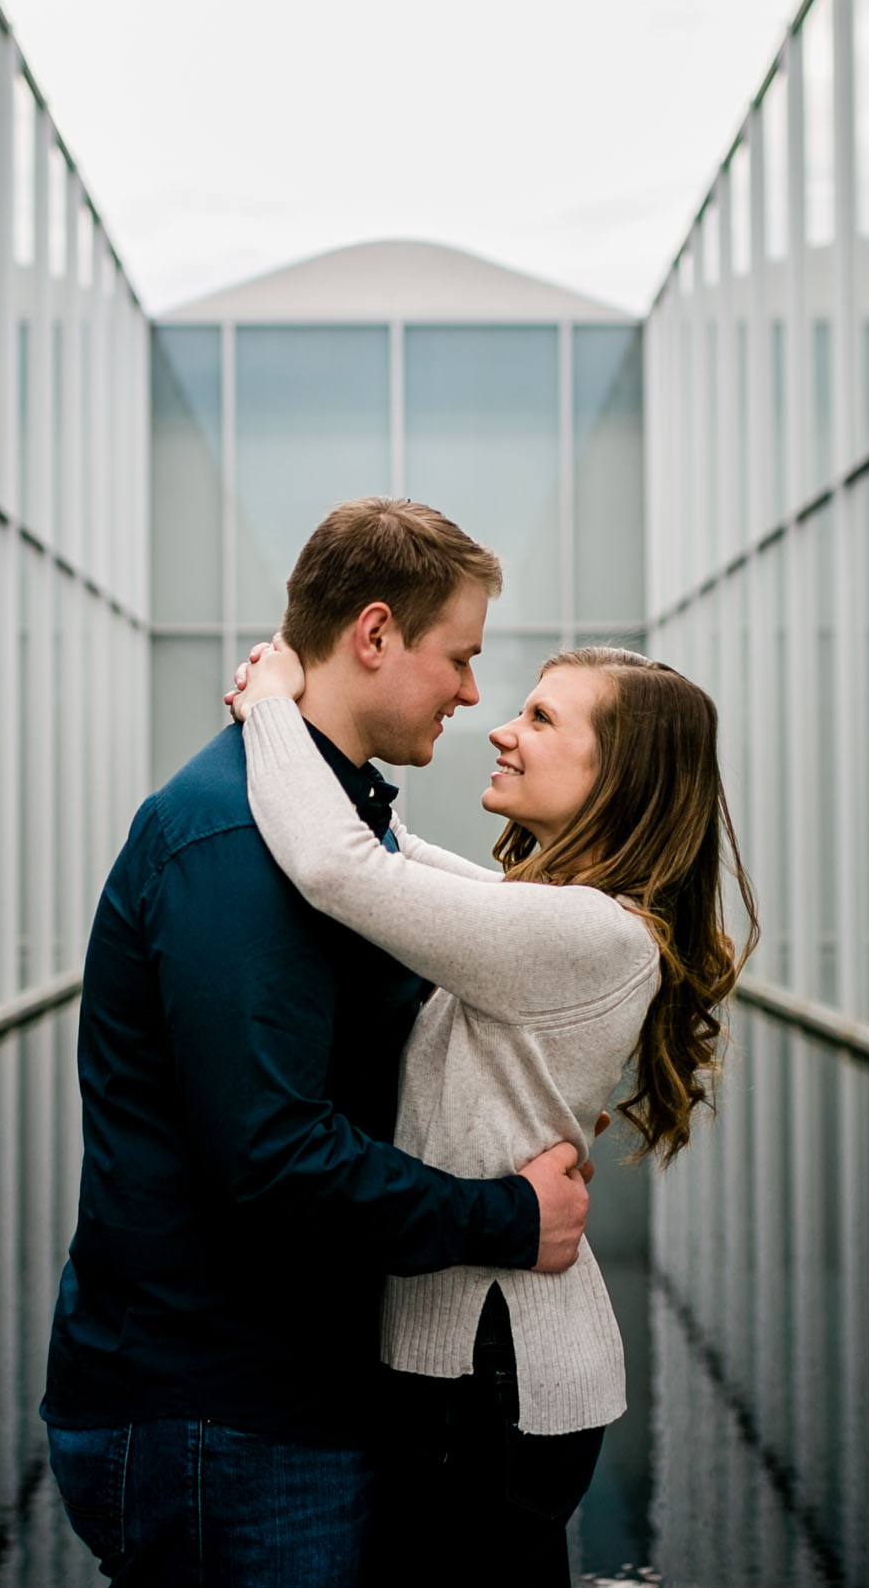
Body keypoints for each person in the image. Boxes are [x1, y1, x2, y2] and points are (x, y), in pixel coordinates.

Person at [42, 497, 595, 1587]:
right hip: (224, 1416)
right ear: (376, 634)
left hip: (268, 1399)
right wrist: (509, 1218)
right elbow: (272, 1152)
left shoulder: (329, 820)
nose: (474, 693)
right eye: (462, 656)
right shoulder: (237, 842)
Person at [225, 631, 755, 1586]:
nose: (501, 730)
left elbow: (344, 872)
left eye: (542, 718)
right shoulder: (566, 914)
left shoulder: (584, 932)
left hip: (493, 1376)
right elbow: (399, 860)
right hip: (491, 1372)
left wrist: (272, 709)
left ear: (619, 777)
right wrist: (308, 739)